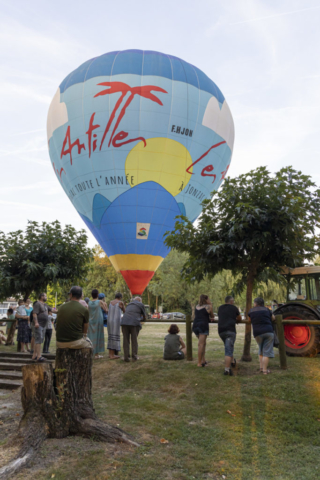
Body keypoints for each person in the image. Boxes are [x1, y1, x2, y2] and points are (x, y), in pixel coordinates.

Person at [248, 297, 276, 375]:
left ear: (255, 303)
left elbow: (249, 320)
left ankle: (261, 368)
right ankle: (265, 370)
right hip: (268, 331)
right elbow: (273, 318)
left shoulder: (251, 310)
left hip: (257, 333)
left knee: (261, 350)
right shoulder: (267, 310)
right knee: (266, 352)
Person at [218, 296, 242, 376]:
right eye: (233, 300)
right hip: (230, 330)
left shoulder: (220, 308)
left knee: (228, 346)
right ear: (231, 301)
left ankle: (232, 362)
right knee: (228, 350)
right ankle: (227, 370)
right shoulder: (234, 308)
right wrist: (236, 320)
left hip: (221, 331)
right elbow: (239, 318)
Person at [121, 296, 145, 362]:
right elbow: (144, 316)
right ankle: (134, 357)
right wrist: (143, 321)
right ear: (140, 301)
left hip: (124, 322)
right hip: (134, 323)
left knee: (125, 340)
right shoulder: (140, 304)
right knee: (134, 340)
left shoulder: (129, 304)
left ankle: (126, 357)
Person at [192, 295, 214, 367]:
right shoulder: (208, 306)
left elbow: (196, 315)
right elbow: (212, 316)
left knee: (203, 343)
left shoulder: (197, 306)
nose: (210, 300)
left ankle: (203, 360)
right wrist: (210, 305)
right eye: (209, 299)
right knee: (201, 344)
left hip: (195, 325)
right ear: (206, 300)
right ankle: (199, 363)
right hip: (203, 326)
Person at [88, 289, 107, 359]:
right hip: (98, 320)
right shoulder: (100, 302)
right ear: (97, 295)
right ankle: (96, 354)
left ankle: (90, 353)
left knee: (90, 336)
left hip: (90, 320)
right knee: (98, 336)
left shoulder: (89, 302)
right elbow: (106, 310)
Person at [31, 293, 49, 362]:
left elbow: (53, 310)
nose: (46, 297)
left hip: (43, 325)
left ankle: (34, 355)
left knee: (40, 340)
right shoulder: (37, 304)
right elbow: (34, 313)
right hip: (38, 325)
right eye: (45, 296)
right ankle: (39, 356)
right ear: (41, 297)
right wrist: (36, 322)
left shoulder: (45, 305)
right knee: (38, 339)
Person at [108, 292, 125, 359]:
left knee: (110, 336)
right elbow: (124, 311)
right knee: (114, 336)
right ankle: (112, 355)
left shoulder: (110, 302)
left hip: (109, 321)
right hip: (116, 321)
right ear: (120, 297)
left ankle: (110, 354)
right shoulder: (120, 303)